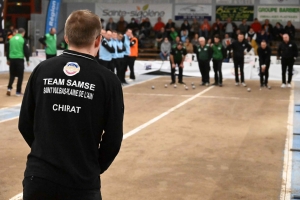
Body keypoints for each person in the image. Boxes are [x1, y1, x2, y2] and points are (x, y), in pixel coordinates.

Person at [19, 10, 124, 200]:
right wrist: (93, 166)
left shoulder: (43, 69)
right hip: (82, 181)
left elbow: (25, 122)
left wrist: (44, 153)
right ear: (98, 40)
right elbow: (114, 138)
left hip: (40, 176)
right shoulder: (108, 81)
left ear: (66, 38)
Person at [6, 28, 30, 96]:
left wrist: (8, 59)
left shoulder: (11, 39)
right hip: (19, 59)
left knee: (12, 75)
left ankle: (9, 88)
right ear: (23, 33)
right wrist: (28, 60)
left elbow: (7, 50)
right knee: (20, 76)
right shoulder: (23, 40)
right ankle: (18, 92)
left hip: (12, 59)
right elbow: (26, 50)